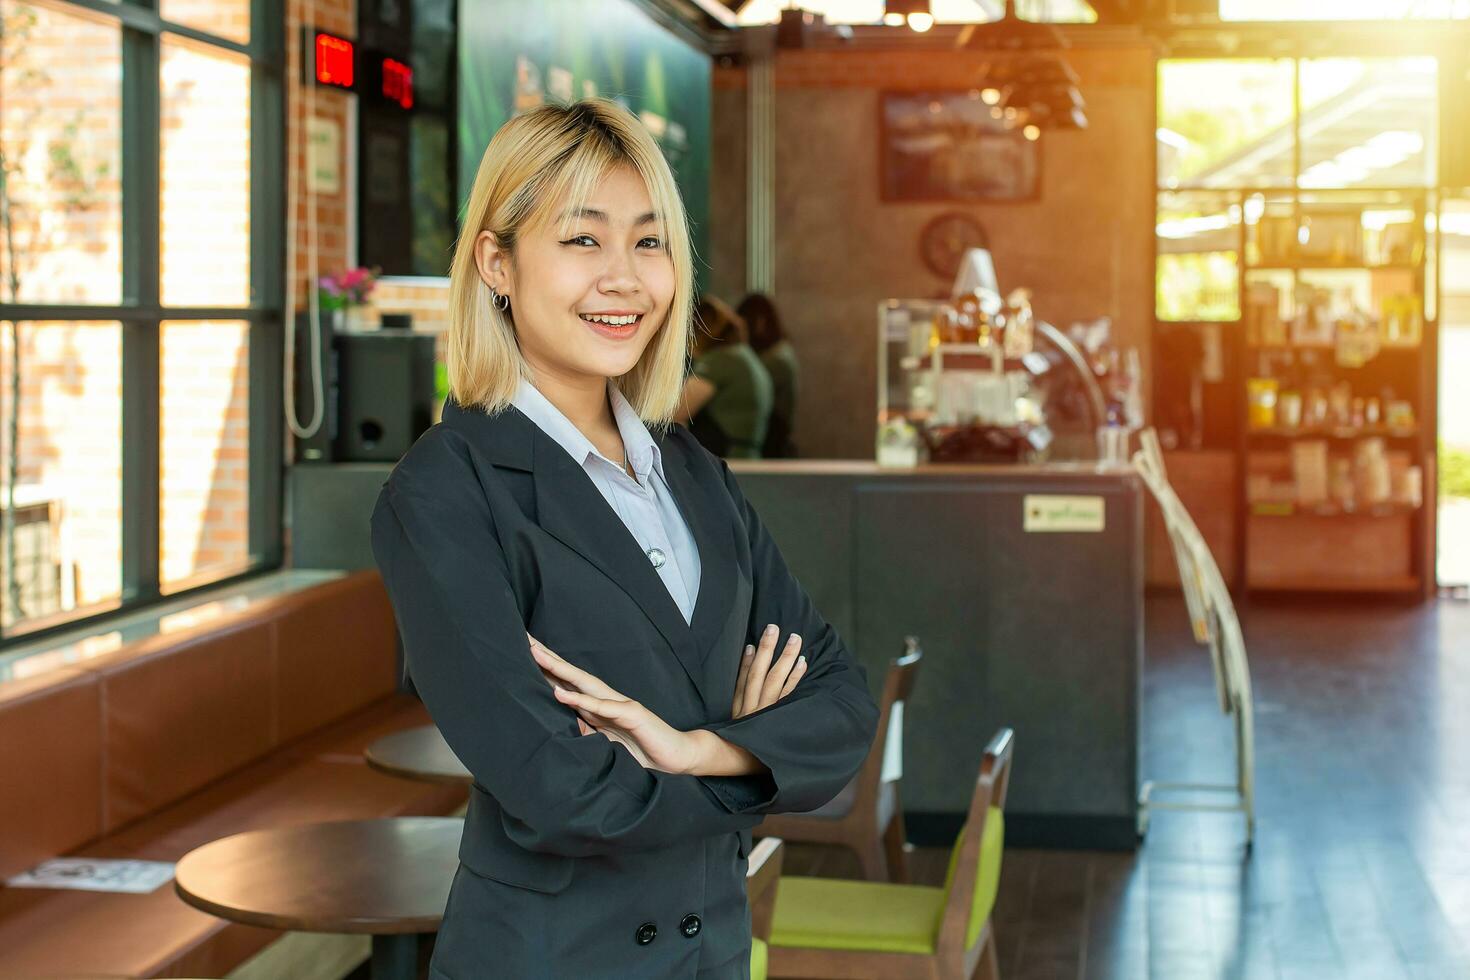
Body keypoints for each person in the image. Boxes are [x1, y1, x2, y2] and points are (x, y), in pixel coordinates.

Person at [369, 99, 879, 980]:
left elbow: (840, 706)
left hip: (713, 950)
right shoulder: (445, 492)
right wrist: (752, 754)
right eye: (582, 241)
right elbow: (557, 792)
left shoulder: (693, 474)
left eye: (649, 242)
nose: (626, 279)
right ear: (497, 261)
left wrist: (692, 749)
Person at [679, 295, 773, 459]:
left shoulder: (721, 360)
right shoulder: (744, 355)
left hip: (726, 458)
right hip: (747, 456)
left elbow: (677, 411)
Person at [737, 293, 799, 458]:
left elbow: (745, 388)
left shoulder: (776, 359)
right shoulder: (780, 353)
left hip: (772, 444)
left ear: (759, 322)